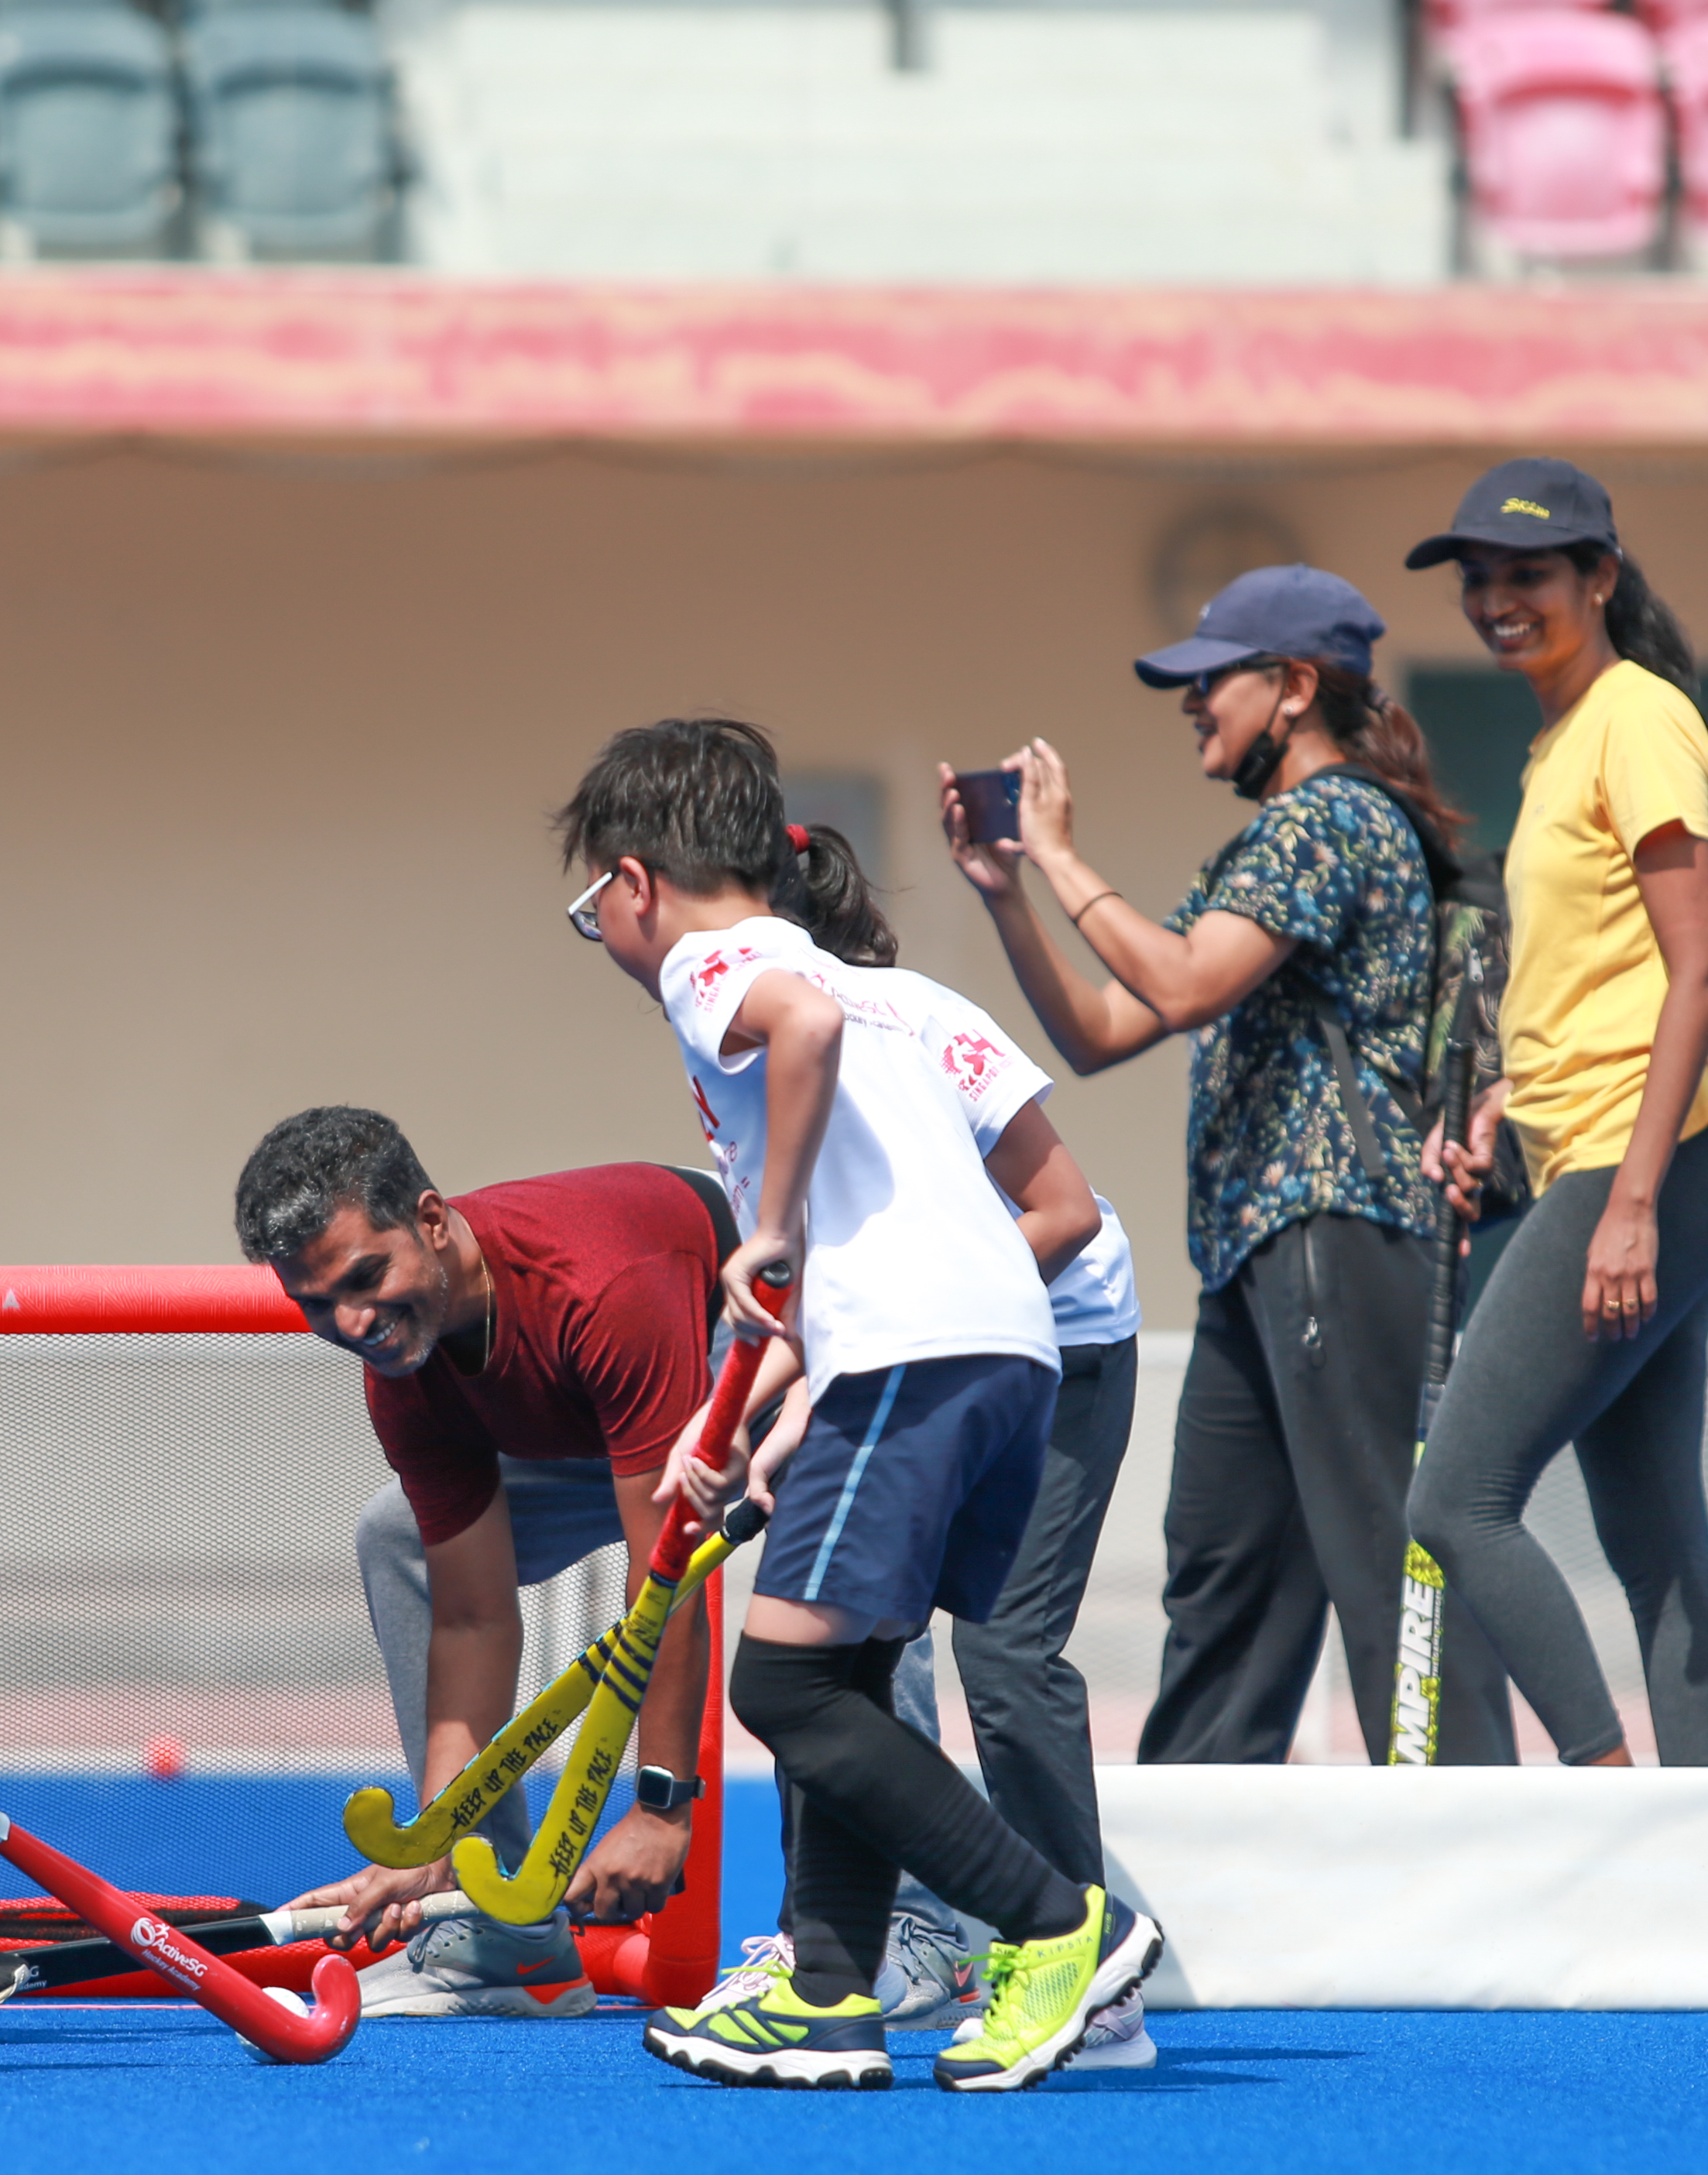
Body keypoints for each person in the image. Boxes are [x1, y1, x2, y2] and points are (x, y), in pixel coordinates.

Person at [557, 716, 1162, 2094]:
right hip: (1004, 1354)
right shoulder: (907, 999)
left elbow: (802, 1089)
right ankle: (826, 1990)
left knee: (777, 1679)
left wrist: (756, 1228)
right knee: (844, 1672)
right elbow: (944, 1222)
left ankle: (1061, 1924)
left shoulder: (723, 966)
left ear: (638, 881)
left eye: (593, 903)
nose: (599, 929)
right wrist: (759, 1433)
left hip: (911, 1356)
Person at [943, 568, 1519, 1768]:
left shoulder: (1336, 818)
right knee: (1223, 1582)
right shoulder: (1268, 846)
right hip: (1262, 1257)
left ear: (1296, 688)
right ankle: (1202, 1886)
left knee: (1383, 1565)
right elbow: (1107, 1029)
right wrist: (1009, 895)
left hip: (1338, 1230)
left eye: (1214, 680)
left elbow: (1188, 982)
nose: (1193, 703)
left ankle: (1465, 1843)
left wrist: (1058, 855)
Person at [762, 827, 1158, 2066]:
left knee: (999, 1654)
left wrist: (899, 1319)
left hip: (1057, 1344)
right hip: (909, 1350)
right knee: (828, 1641)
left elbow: (1065, 1211)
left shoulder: (896, 1019)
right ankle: (850, 1953)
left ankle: (1086, 1977)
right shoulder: (761, 1053)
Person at [1402, 458, 1708, 1768]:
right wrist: (1513, 1102)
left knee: (1454, 1496)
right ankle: (1698, 1850)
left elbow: (1700, 965)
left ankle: (1606, 1802)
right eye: (1478, 580)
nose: (1496, 600)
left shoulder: (1633, 715)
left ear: (1598, 577)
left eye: (1529, 574)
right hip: (1631, 1151)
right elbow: (1596, 976)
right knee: (1653, 1537)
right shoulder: (1564, 735)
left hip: (1648, 1161)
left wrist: (1621, 1202)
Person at [235, 1110, 736, 2018]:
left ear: (432, 1220)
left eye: (365, 1276)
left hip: (760, 1370)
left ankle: (904, 1928)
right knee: (398, 1535)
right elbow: (473, 1616)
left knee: (837, 1570)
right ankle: (508, 1934)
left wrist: (662, 1809)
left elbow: (664, 1572)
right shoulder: (401, 1365)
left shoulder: (600, 1286)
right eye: (316, 1305)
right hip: (604, 1424)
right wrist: (431, 1839)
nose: (350, 1322)